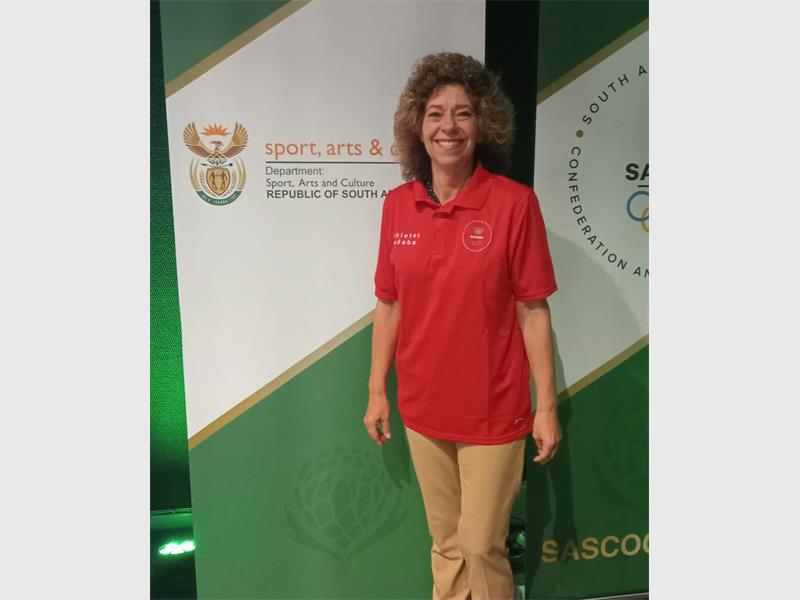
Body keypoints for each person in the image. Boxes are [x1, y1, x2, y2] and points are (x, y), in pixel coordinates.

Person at [364, 52, 561, 600]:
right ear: (417, 126)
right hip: (423, 407)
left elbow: (533, 310)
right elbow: (389, 304)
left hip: (493, 409)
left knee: (480, 544)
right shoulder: (397, 206)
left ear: (483, 124)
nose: (448, 126)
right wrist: (377, 390)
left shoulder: (515, 204)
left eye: (463, 113)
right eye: (435, 113)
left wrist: (545, 406)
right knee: (446, 544)